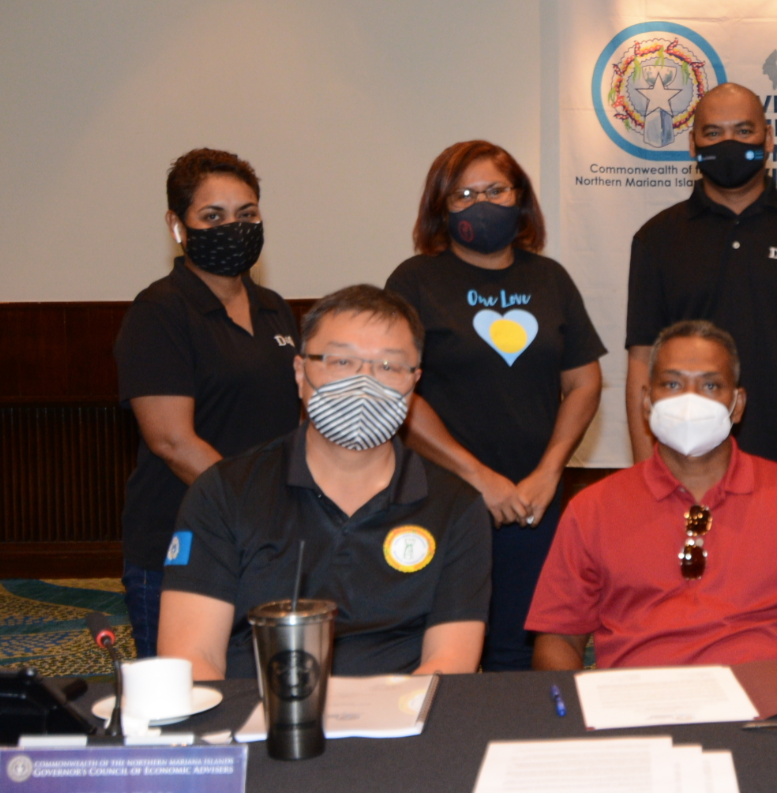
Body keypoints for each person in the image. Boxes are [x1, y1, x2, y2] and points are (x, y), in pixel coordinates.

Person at [157, 286, 491, 680]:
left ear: (414, 383)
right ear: (300, 373)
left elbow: (449, 664)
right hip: (259, 720)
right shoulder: (224, 492)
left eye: (388, 366)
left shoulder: (456, 506)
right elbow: (193, 658)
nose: (364, 383)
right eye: (341, 361)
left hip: (399, 721)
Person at [527, 320, 777, 669]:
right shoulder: (591, 510)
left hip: (769, 709)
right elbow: (557, 638)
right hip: (639, 709)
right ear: (647, 401)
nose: (690, 401)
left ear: (738, 404)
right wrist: (576, 714)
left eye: (710, 385)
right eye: (672, 383)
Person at [386, 141, 605, 671]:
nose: (481, 203)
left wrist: (549, 474)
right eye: (463, 194)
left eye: (494, 190)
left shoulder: (548, 279)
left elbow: (584, 382)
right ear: (441, 207)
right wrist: (480, 478)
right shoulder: (414, 280)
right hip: (439, 501)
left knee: (520, 653)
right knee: (436, 653)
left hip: (532, 504)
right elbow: (398, 392)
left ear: (520, 199)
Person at [113, 148, 301, 657]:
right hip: (184, 543)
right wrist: (260, 509)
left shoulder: (274, 308)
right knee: (182, 708)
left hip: (269, 543)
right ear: (178, 225)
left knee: (268, 692)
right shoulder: (159, 312)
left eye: (247, 215)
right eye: (212, 216)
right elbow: (173, 442)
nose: (233, 228)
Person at [625, 82, 777, 491]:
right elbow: (641, 360)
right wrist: (647, 473)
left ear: (769, 140)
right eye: (713, 133)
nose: (729, 143)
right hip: (684, 466)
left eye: (743, 131)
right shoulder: (656, 238)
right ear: (693, 145)